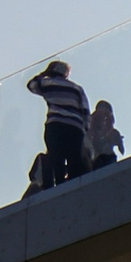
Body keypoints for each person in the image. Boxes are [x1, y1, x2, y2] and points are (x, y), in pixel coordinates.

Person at [27, 59, 90, 187]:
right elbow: (86, 113)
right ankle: (74, 186)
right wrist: (86, 133)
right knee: (74, 159)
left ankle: (59, 185)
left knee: (56, 158)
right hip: (75, 129)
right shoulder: (77, 88)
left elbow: (31, 85)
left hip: (55, 126)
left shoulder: (47, 83)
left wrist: (44, 73)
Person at [87, 100, 126, 170]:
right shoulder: (92, 131)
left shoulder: (113, 132)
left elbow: (122, 150)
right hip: (97, 160)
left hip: (106, 159)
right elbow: (122, 150)